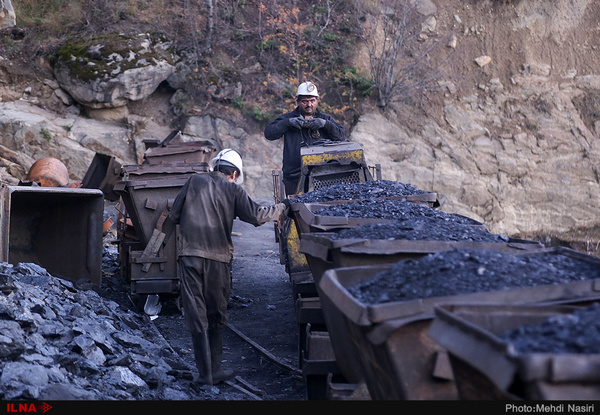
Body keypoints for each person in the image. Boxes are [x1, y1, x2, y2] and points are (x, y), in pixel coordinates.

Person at [161, 148, 289, 386]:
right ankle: (216, 368)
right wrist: (283, 208)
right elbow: (257, 215)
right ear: (234, 173)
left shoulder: (193, 182)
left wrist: (156, 249)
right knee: (216, 314)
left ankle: (205, 373)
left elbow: (173, 216)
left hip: (189, 257)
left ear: (216, 167)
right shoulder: (233, 189)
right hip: (218, 261)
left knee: (196, 316)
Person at [264, 81, 347, 196]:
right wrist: (287, 123)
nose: (309, 105)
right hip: (294, 176)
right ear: (297, 101)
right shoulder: (287, 118)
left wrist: (326, 125)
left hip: (322, 175)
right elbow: (269, 133)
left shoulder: (325, 119)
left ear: (317, 101)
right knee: (296, 207)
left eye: (312, 101)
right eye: (305, 101)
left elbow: (342, 136)